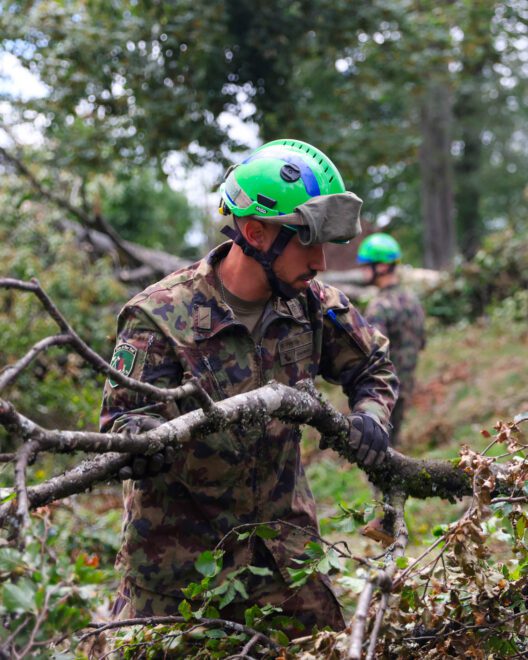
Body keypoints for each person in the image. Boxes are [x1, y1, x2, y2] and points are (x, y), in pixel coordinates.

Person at [100, 139, 398, 635]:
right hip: (178, 578)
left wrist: (371, 415)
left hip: (286, 563)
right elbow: (123, 423)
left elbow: (372, 365)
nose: (321, 261)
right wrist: (147, 441)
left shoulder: (312, 305)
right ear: (257, 233)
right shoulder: (160, 315)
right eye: (308, 241)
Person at [357, 232, 426, 446]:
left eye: (367, 264)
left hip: (382, 392)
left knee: (376, 450)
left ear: (382, 266)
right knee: (392, 446)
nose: (363, 270)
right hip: (405, 386)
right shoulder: (413, 300)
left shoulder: (379, 306)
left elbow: (371, 353)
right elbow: (422, 341)